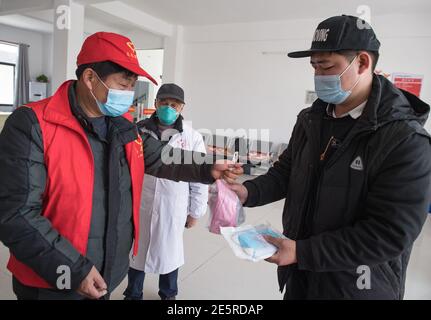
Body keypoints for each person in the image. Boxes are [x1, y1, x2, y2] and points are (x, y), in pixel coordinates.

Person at [0, 32, 241, 300]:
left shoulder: (122, 126)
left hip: (106, 275)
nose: (129, 94)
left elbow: (159, 156)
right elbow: (16, 214)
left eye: (132, 86)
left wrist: (207, 167)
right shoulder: (34, 124)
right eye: (123, 85)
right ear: (90, 78)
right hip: (54, 282)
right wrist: (74, 269)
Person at [229, 15, 431, 299]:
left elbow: (390, 233)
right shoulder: (311, 119)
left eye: (326, 66)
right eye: (314, 67)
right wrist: (247, 191)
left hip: (357, 286)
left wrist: (303, 251)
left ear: (362, 63)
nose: (318, 76)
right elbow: (286, 172)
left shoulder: (404, 140)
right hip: (301, 275)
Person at [124, 83, 208, 300]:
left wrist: (195, 212)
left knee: (170, 252)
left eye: (174, 104)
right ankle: (133, 294)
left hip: (173, 205)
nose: (168, 108)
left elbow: (199, 178)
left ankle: (168, 294)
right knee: (137, 251)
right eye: (164, 103)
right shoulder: (137, 131)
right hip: (141, 203)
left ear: (182, 107)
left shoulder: (193, 137)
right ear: (155, 103)